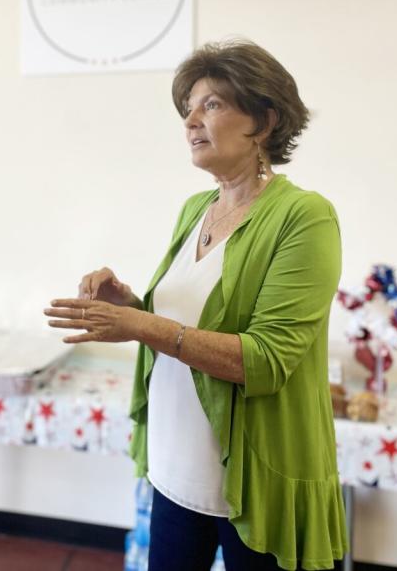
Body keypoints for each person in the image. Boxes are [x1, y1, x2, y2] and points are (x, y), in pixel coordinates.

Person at [45, 41, 348, 570]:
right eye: (188, 107)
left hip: (254, 476)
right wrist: (131, 307)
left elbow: (265, 360)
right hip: (177, 463)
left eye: (211, 104)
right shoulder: (196, 209)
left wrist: (142, 324)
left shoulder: (305, 216)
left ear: (265, 120)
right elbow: (188, 324)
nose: (190, 120)